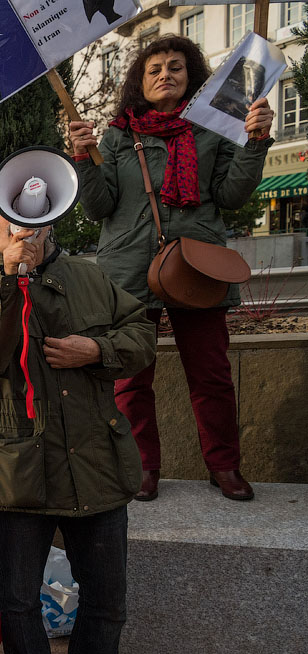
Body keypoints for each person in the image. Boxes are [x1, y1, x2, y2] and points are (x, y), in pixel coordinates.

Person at [0, 190, 156, 654]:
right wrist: (11, 282)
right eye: (7, 219)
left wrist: (97, 351)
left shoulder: (88, 274)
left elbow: (142, 333)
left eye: (32, 220)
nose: (22, 230)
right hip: (17, 468)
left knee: (106, 593)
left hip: (94, 463)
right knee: (18, 598)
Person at [69, 35, 275, 501]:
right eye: (155, 68)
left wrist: (255, 140)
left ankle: (224, 466)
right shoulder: (120, 134)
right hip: (128, 273)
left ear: (191, 76)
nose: (166, 74)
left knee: (211, 375)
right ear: (140, 83)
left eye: (175, 67)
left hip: (197, 265)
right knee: (130, 380)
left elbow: (230, 196)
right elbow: (99, 207)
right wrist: (82, 157)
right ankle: (141, 468)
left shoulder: (216, 128)